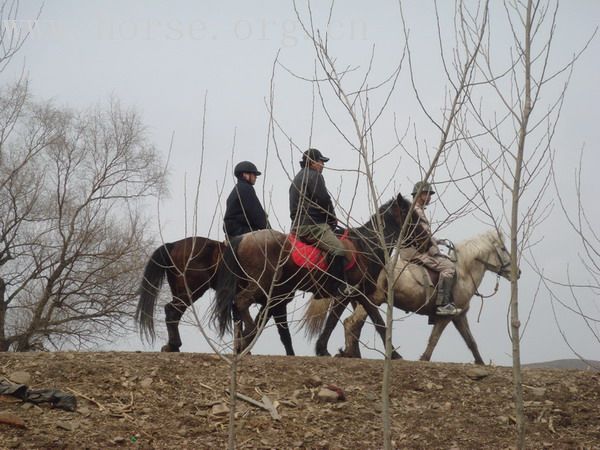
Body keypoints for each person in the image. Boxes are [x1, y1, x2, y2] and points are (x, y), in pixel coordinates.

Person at [289, 148, 351, 296]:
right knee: (339, 250)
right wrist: (332, 218)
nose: (323, 165)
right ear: (312, 162)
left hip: (297, 226)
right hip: (313, 225)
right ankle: (336, 287)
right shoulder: (314, 175)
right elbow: (323, 200)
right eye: (321, 161)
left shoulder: (296, 179)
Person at [411, 181, 462, 316]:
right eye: (427, 194)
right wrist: (435, 251)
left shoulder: (416, 210)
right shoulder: (416, 211)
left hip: (418, 249)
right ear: (419, 195)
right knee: (449, 268)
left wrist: (438, 241)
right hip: (417, 253)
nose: (429, 198)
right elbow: (424, 237)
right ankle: (442, 304)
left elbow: (424, 235)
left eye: (430, 195)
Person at [223, 161, 270, 238]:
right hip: (240, 229)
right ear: (245, 175)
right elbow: (257, 214)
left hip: (234, 229)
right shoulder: (246, 188)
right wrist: (271, 232)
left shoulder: (238, 188)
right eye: (254, 174)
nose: (256, 177)